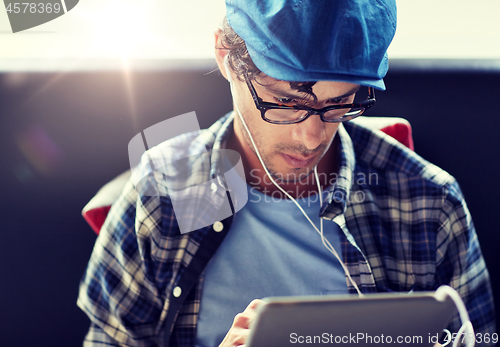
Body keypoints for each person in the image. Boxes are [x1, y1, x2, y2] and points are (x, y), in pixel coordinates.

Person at [77, 0, 496, 346]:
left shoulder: (429, 203)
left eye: (340, 103)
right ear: (225, 56)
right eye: (284, 101)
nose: (312, 137)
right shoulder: (162, 189)